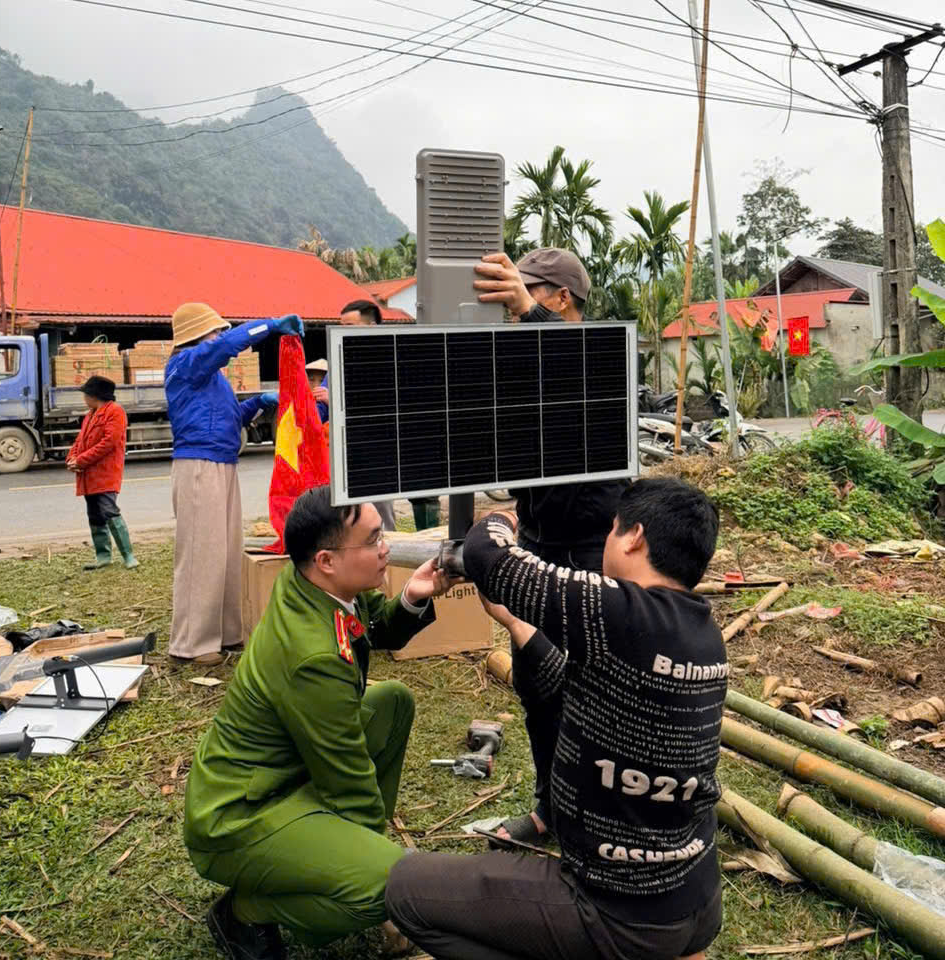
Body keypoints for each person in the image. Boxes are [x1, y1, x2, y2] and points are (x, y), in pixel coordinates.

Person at [386, 477, 726, 960]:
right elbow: (564, 688)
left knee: (406, 889)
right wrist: (512, 620)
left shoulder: (616, 609)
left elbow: (486, 554)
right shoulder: (699, 633)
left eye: (612, 529)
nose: (606, 540)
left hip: (616, 911)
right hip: (694, 900)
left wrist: (504, 517)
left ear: (634, 537)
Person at [183, 485, 453, 960]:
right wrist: (377, 865)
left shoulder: (314, 584)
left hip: (281, 779)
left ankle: (347, 855)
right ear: (326, 560)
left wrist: (413, 595)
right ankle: (245, 911)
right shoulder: (314, 656)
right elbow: (347, 778)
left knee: (391, 703)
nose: (386, 547)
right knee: (394, 889)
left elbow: (373, 627)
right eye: (373, 540)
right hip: (238, 815)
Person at [472, 247, 630, 845]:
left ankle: (599, 810)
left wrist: (527, 312)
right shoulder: (521, 359)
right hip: (538, 540)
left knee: (590, 683)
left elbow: (573, 367)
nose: (518, 302)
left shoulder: (602, 357)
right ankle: (551, 808)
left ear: (562, 299)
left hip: (590, 547)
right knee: (535, 678)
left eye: (531, 290)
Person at [165, 302, 302, 665]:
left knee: (225, 551)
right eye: (215, 331)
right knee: (201, 554)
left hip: (222, 463)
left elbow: (231, 417)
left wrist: (258, 402)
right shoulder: (187, 363)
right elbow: (227, 345)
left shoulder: (210, 377)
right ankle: (192, 643)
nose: (221, 336)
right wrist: (270, 325)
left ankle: (225, 633)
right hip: (199, 464)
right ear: (198, 335)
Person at [314, 298, 401, 531]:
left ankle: (387, 550)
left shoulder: (389, 361)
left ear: (371, 327)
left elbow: (385, 408)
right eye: (341, 326)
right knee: (347, 515)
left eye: (349, 326)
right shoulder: (338, 362)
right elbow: (320, 407)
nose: (342, 332)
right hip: (345, 452)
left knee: (380, 513)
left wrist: (336, 402)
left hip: (378, 450)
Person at [66, 374, 138, 571]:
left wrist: (81, 460)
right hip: (88, 474)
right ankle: (103, 556)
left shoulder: (115, 412)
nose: (84, 398)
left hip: (105, 473)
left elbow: (108, 443)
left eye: (86, 394)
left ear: (94, 395)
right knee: (95, 515)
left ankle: (129, 556)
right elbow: (80, 441)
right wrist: (71, 458)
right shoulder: (90, 415)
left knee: (109, 510)